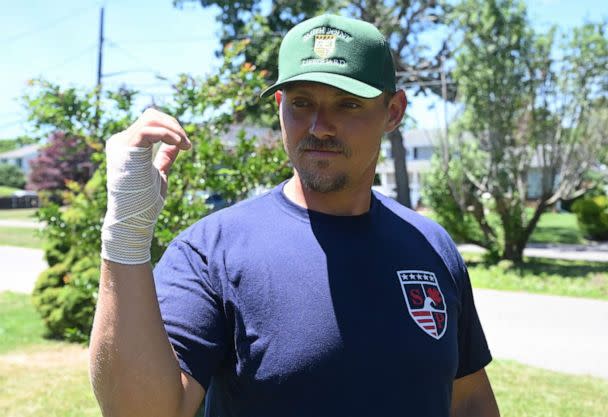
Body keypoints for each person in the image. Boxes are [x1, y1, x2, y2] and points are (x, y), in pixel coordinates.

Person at [89, 14, 500, 417]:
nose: (320, 126)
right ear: (280, 106)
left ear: (393, 111)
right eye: (302, 103)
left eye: (348, 103)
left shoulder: (430, 245)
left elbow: (468, 400)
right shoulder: (212, 251)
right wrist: (126, 232)